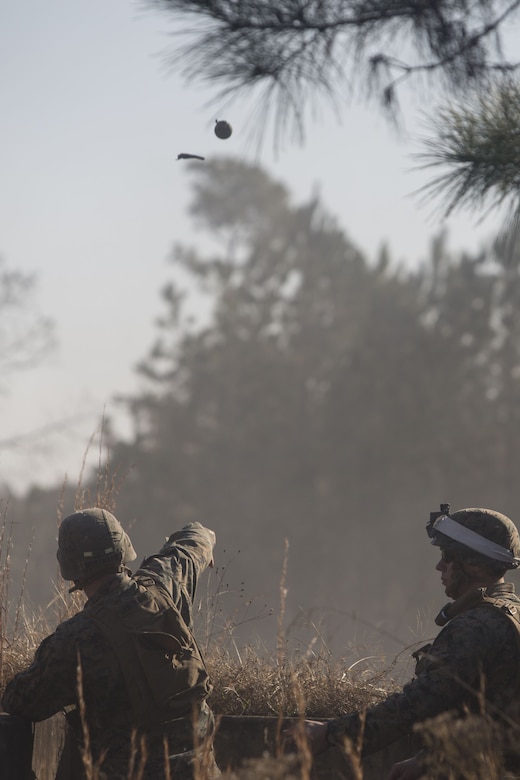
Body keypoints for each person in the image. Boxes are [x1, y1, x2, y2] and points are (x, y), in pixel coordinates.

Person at [288, 504, 520, 779]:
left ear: (474, 564)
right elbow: (498, 718)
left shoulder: (476, 625)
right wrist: (431, 760)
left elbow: (422, 701)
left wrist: (331, 733)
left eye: (447, 556)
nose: (439, 566)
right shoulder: (508, 614)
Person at [1, 507, 220, 780]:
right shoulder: (164, 584)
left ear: (71, 569)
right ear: (123, 549)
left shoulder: (72, 640)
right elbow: (192, 543)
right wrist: (205, 539)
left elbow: (19, 701)